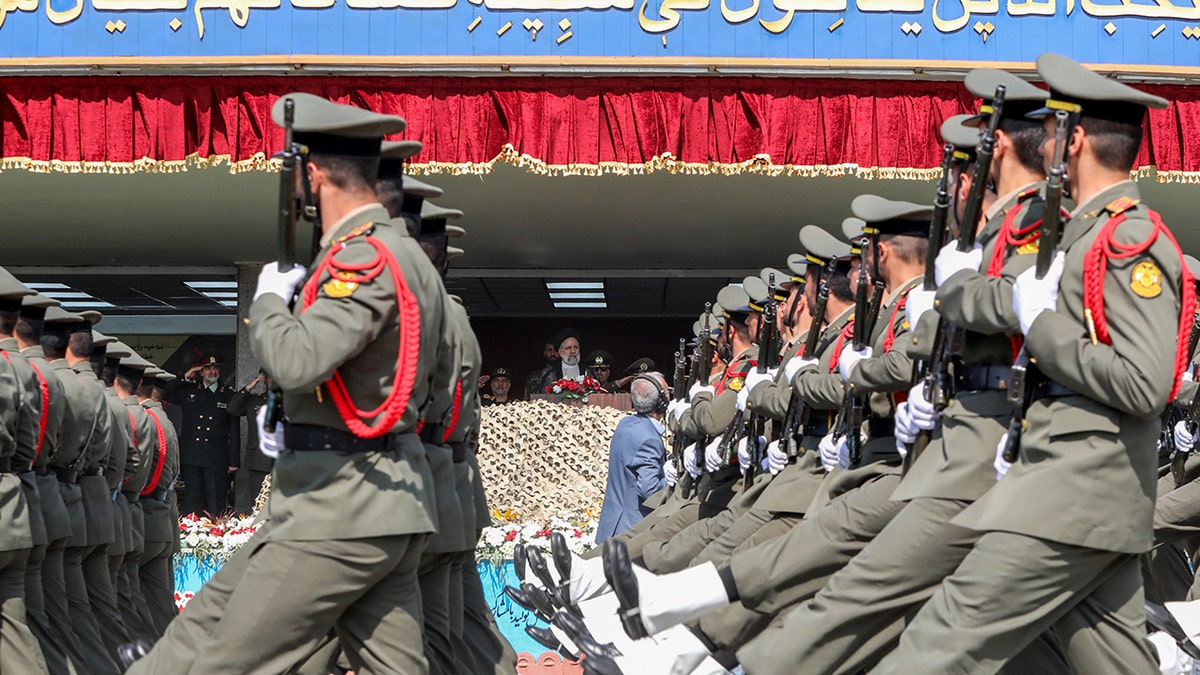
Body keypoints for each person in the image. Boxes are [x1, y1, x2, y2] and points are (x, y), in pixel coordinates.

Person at [125, 91, 445, 675]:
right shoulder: (395, 255)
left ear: (313, 173)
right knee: (197, 630)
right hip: (375, 499)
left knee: (220, 658)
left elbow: (299, 361)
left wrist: (268, 302)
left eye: (298, 175)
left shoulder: (364, 258)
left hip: (338, 505)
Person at [595, 372, 672, 543]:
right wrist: (672, 477)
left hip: (612, 526)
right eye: (667, 393)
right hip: (631, 532)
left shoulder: (626, 423)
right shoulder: (649, 439)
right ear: (661, 402)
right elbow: (650, 490)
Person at [162, 355, 238, 517]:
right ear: (200, 371)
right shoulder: (190, 390)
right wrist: (184, 377)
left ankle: (216, 535)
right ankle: (192, 532)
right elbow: (165, 393)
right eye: (208, 368)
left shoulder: (228, 395)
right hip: (192, 455)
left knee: (215, 500)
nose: (212, 371)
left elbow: (234, 429)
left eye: (216, 367)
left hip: (216, 457)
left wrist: (234, 461)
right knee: (193, 499)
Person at [227, 371, 271, 515]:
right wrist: (251, 385)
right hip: (258, 461)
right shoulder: (254, 401)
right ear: (264, 379)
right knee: (258, 503)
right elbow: (232, 408)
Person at [537, 328, 598, 393]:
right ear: (560, 352)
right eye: (569, 348)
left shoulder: (590, 372)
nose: (573, 351)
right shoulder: (549, 374)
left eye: (576, 347)